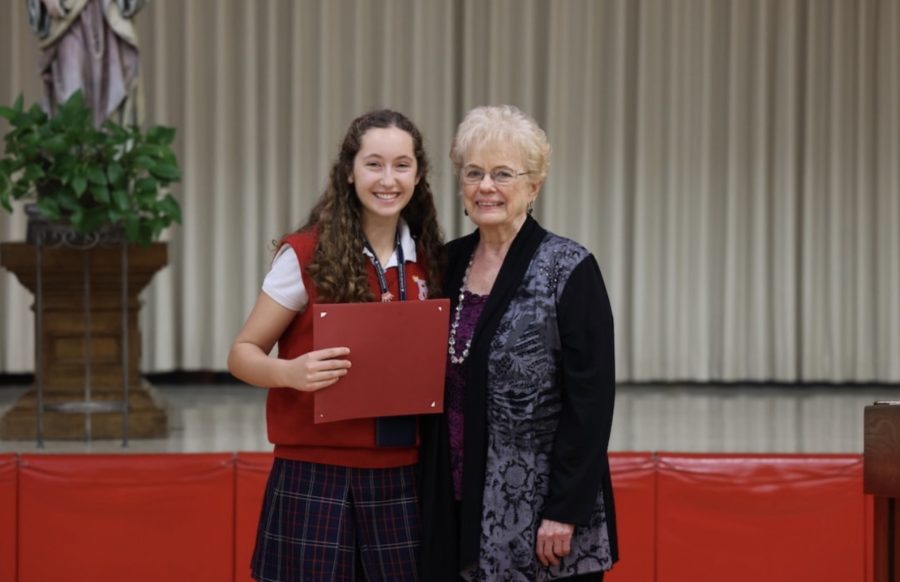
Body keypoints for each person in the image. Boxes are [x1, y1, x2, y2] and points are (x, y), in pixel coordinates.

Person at [228, 109, 444, 582]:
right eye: (374, 164)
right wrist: (288, 373)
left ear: (419, 174)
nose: (388, 179)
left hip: (403, 473)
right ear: (349, 172)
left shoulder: (432, 261)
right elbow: (242, 353)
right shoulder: (306, 253)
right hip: (313, 471)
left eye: (402, 165)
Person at [420, 105, 618, 581]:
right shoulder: (444, 264)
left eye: (503, 173)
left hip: (542, 517)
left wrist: (564, 510)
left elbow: (590, 404)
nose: (486, 186)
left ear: (534, 186)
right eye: (474, 173)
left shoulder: (569, 268)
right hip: (454, 500)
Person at [26, 0, 148, 126]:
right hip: (68, 20)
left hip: (106, 16)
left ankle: (105, 138)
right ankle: (76, 141)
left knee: (112, 87)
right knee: (71, 94)